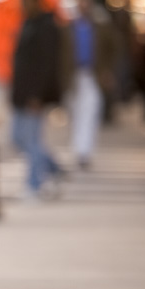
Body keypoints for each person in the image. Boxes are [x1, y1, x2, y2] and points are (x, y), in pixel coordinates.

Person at [10, 0, 65, 201]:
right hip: (20, 93)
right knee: (17, 137)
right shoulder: (27, 23)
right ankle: (54, 169)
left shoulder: (47, 25)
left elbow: (47, 64)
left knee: (32, 138)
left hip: (34, 94)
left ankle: (34, 185)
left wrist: (38, 95)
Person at [66, 0, 116, 168]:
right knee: (75, 113)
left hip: (92, 75)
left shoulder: (100, 24)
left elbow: (115, 47)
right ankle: (78, 148)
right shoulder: (69, 25)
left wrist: (108, 71)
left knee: (90, 113)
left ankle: (84, 152)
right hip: (73, 77)